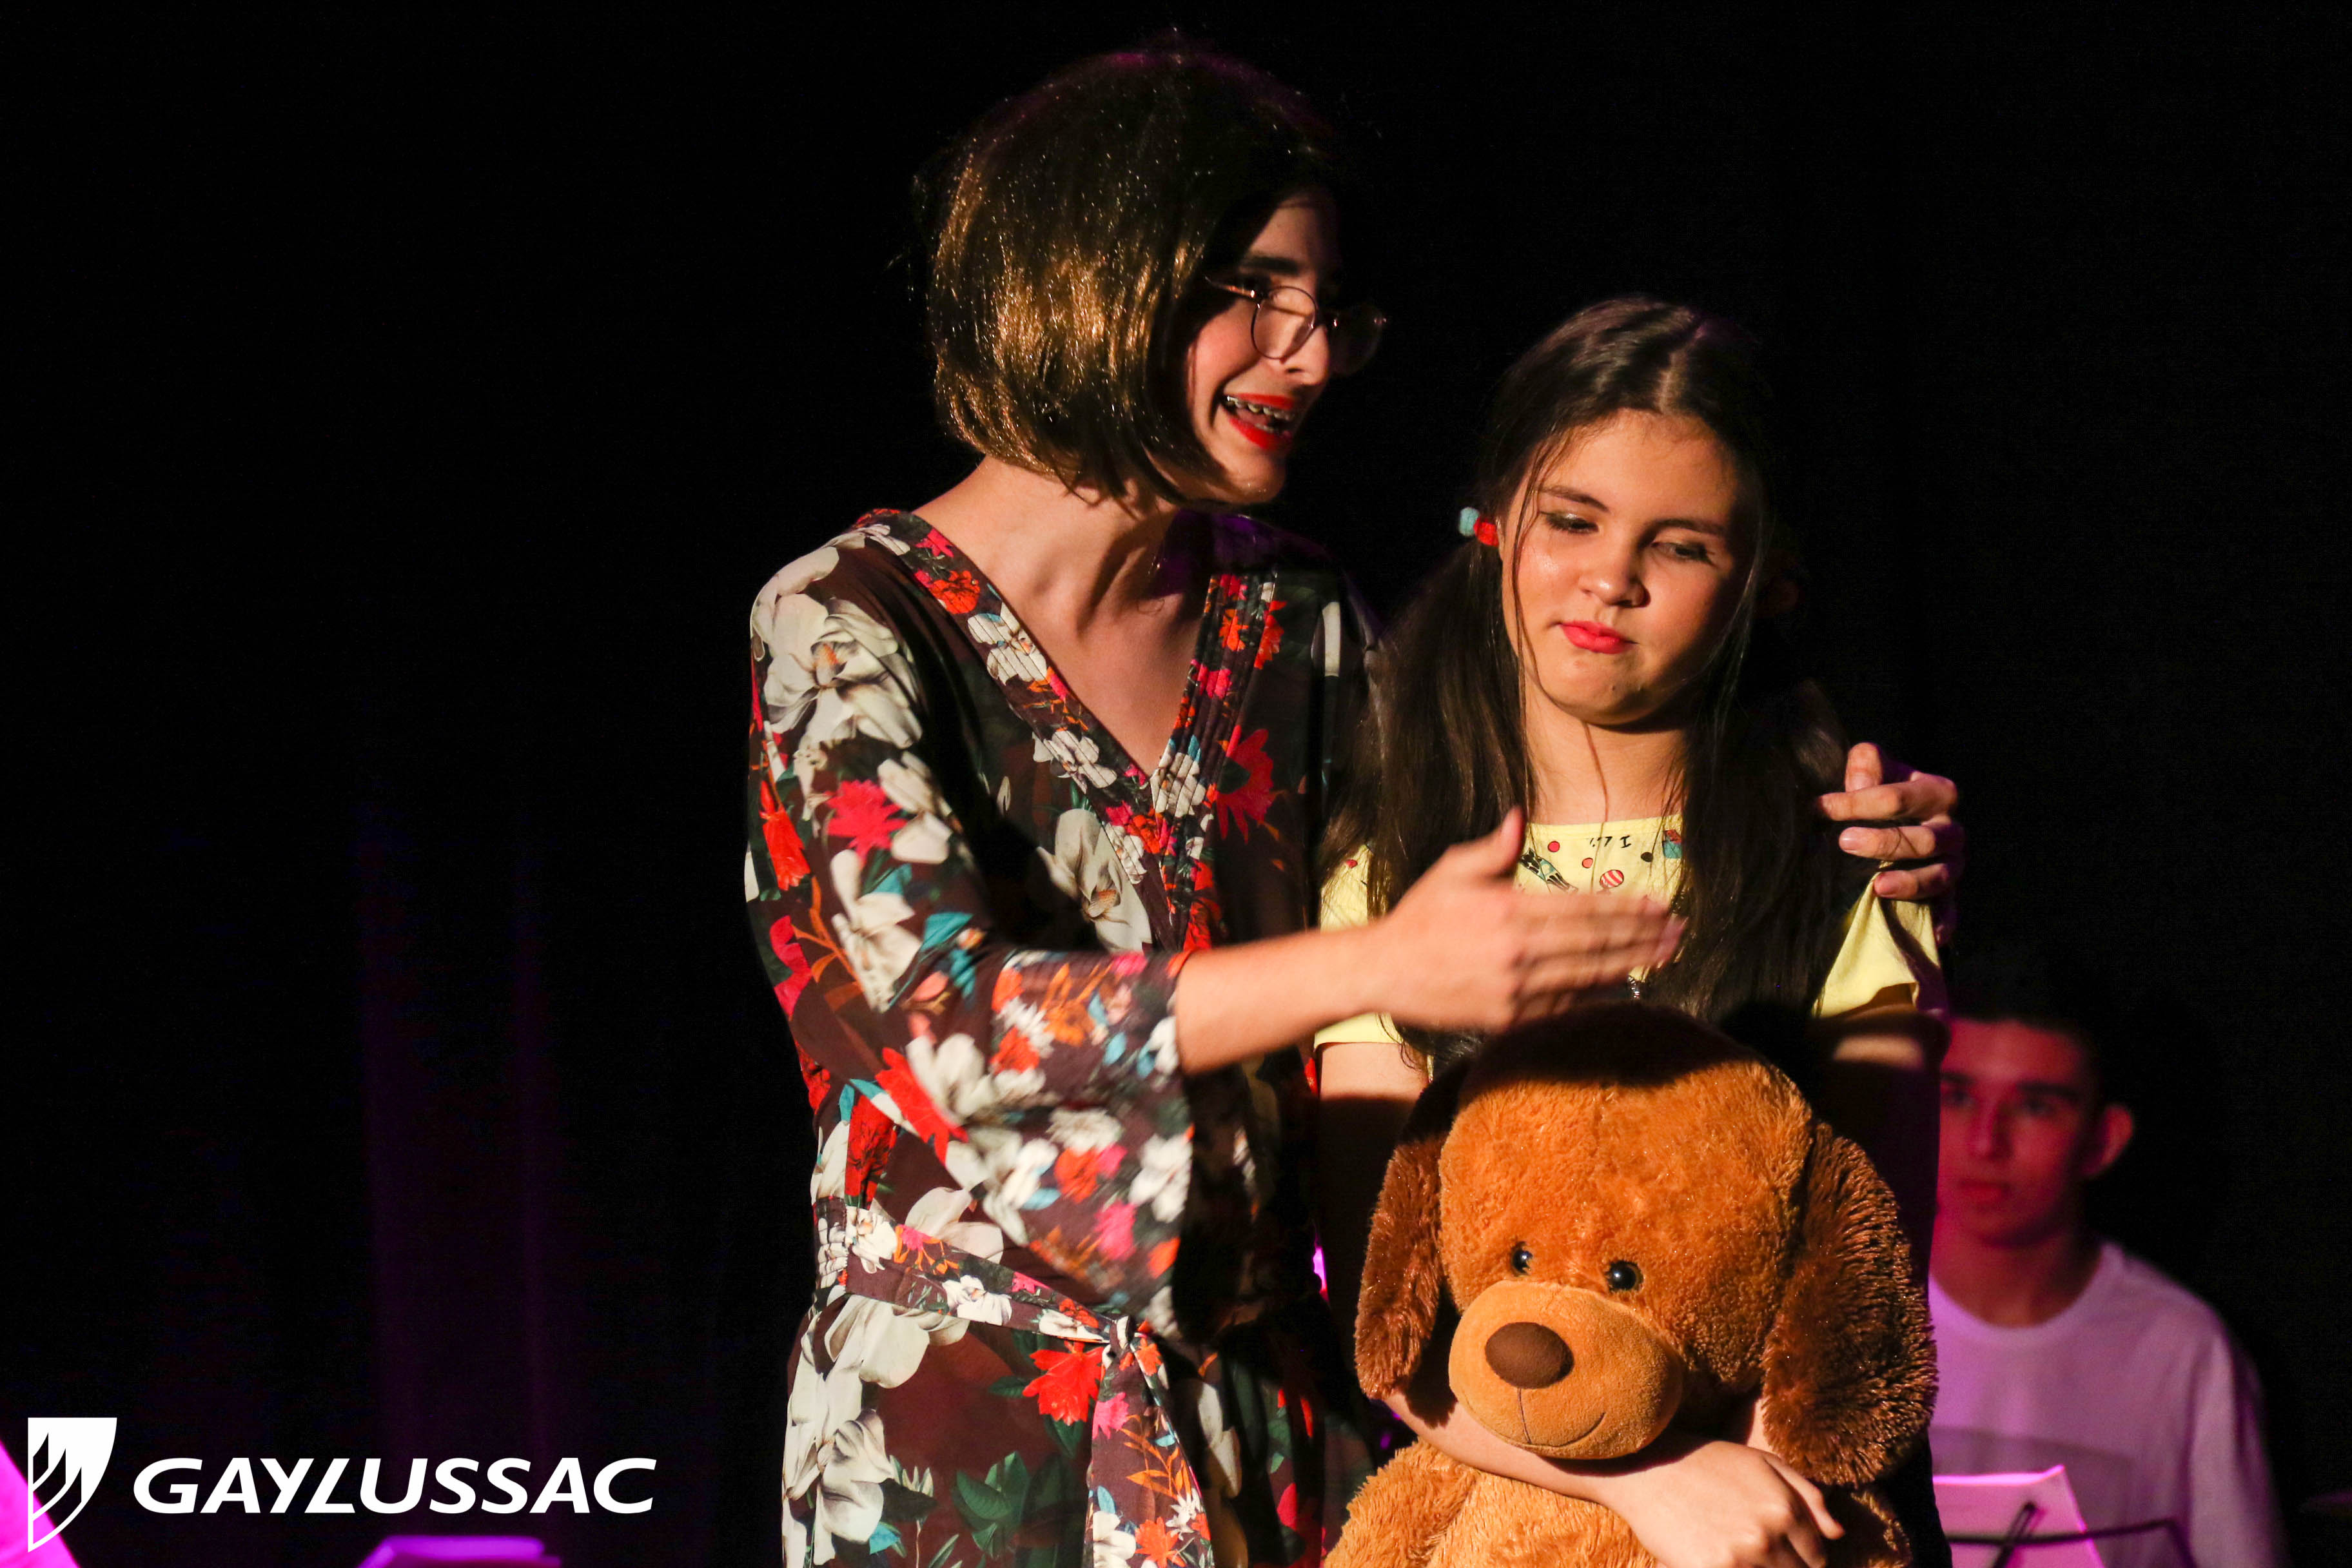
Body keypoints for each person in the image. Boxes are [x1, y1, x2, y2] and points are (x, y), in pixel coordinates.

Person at [745, 44, 1960, 1568]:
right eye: (1256, 293)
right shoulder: (848, 624)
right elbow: (948, 1028)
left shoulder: (1295, 618)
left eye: (1328, 312)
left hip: (1273, 1425)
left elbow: (1547, 770)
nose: (1311, 357)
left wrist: (1846, 824)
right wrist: (1378, 963)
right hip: (964, 1438)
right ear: (1090, 273)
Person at [1314, 297, 1954, 1567]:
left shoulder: (1846, 862)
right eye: (1572, 521)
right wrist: (1652, 1479)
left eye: (1681, 545)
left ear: (1765, 578)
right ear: (1494, 525)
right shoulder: (1392, 874)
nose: (1611, 578)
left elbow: (1865, 1298)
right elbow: (1383, 1332)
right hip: (1502, 1513)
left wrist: (1746, 1486)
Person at [1930, 951, 2287, 1568]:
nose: (1986, 1142)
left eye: (2035, 1106)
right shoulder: (1845, 1312)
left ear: (2103, 1139)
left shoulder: (2184, 1350)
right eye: (1958, 1098)